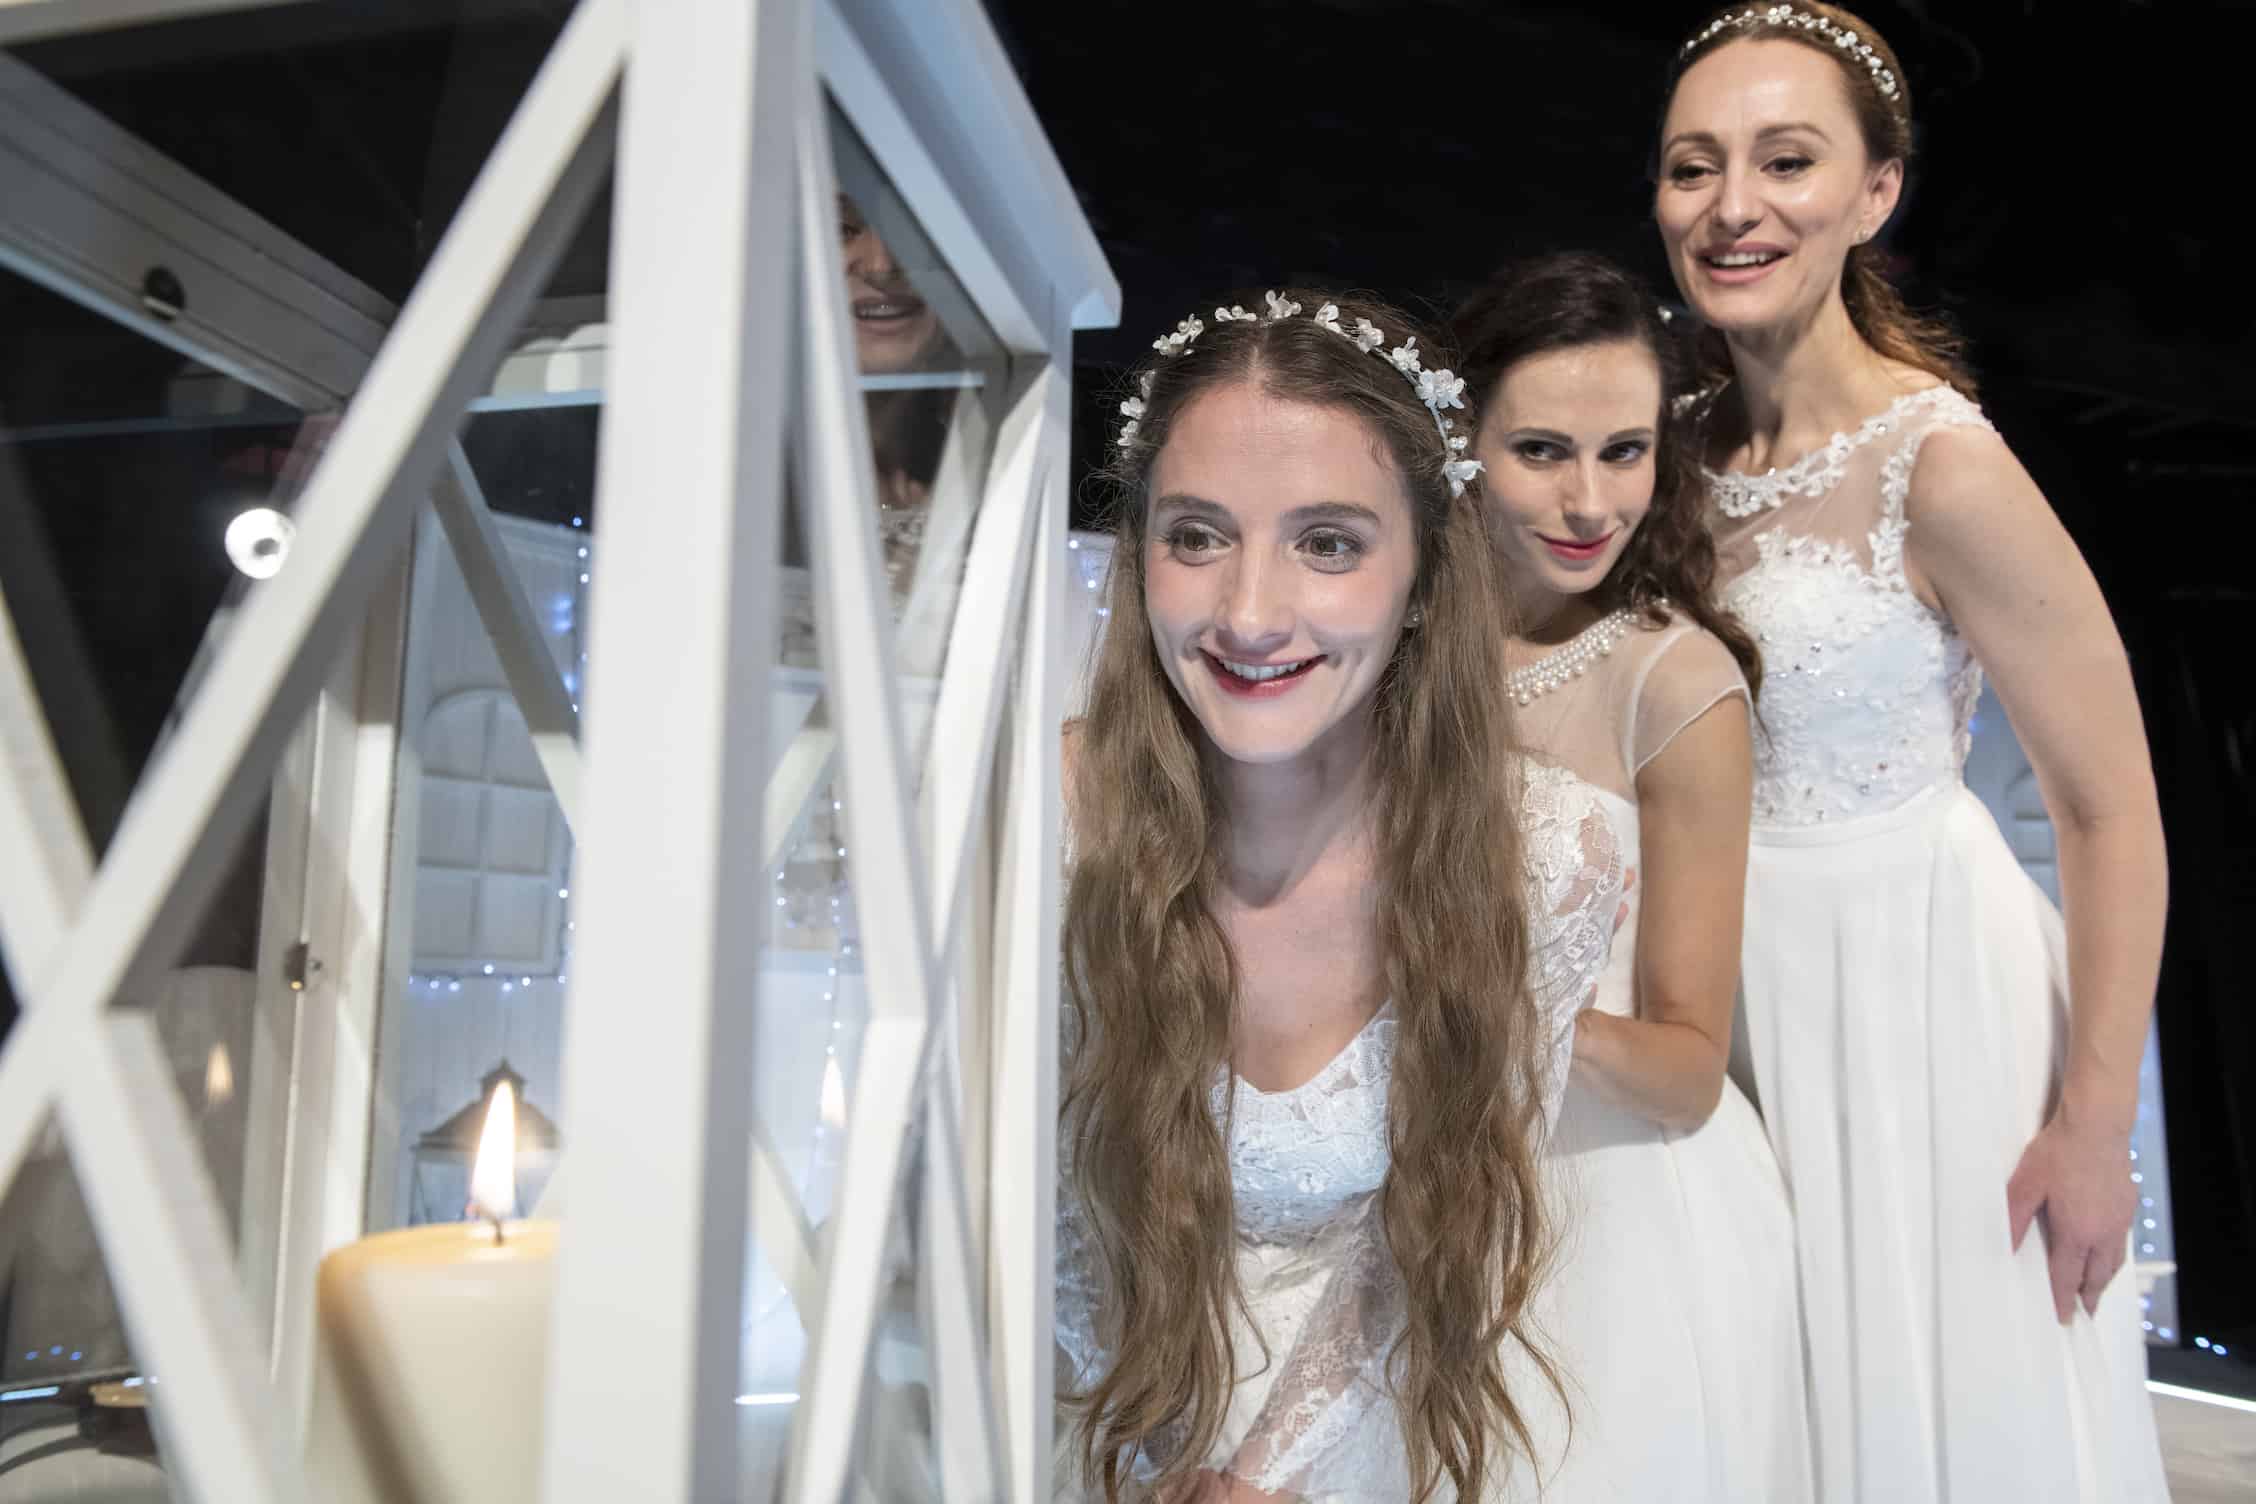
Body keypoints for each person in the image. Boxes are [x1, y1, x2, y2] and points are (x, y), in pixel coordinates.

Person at [1655, 7, 2170, 1497]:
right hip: (1725, 998)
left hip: (1927, 1010)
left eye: (1785, 161)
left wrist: (2094, 1130)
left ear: (1874, 193)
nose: (1733, 206)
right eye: (1693, 167)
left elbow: (2110, 809)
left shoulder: (1939, 464)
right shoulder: (1663, 452)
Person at [1054, 290, 1624, 1502]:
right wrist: (1154, 1461)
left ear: (1422, 576)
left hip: (1370, 1419)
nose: (1250, 614)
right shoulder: (1046, 827)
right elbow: (1038, 1218)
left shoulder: (1543, 856)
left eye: (1327, 543)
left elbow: (1436, 1227)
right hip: (1083, 1412)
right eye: (1197, 536)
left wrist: (1256, 1476)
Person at [1449, 250, 1812, 1500]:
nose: (1589, 500)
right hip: (1414, 1172)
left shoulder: (1677, 682)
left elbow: (1689, 1067)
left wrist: (1516, 1008)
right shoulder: (1396, 645)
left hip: (1615, 1219)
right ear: (1462, 442)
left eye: (1625, 451)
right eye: (1541, 450)